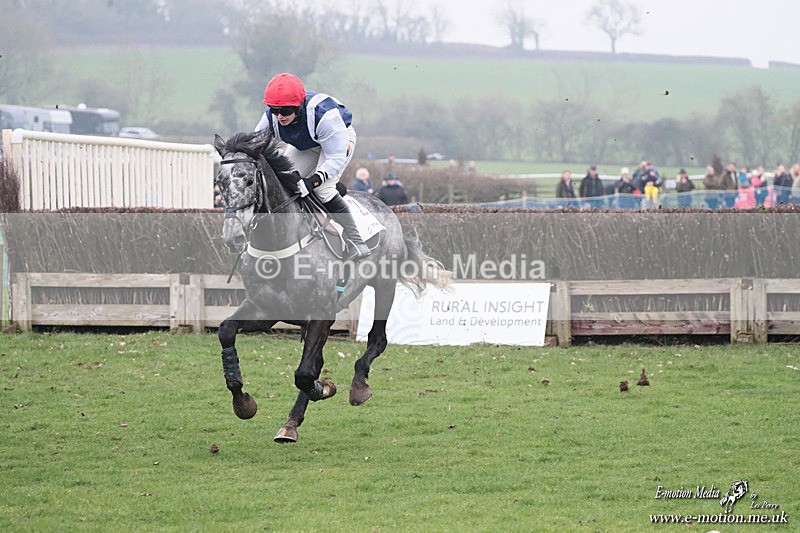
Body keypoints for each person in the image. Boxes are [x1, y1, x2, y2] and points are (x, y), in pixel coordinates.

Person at [254, 73, 370, 260]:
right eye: (274, 110)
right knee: (285, 181)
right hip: (307, 143)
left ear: (298, 106)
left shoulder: (325, 117)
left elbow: (335, 158)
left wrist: (313, 181)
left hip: (338, 142)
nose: (279, 116)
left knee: (323, 188)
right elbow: (256, 145)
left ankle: (356, 241)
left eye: (285, 111)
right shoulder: (272, 117)